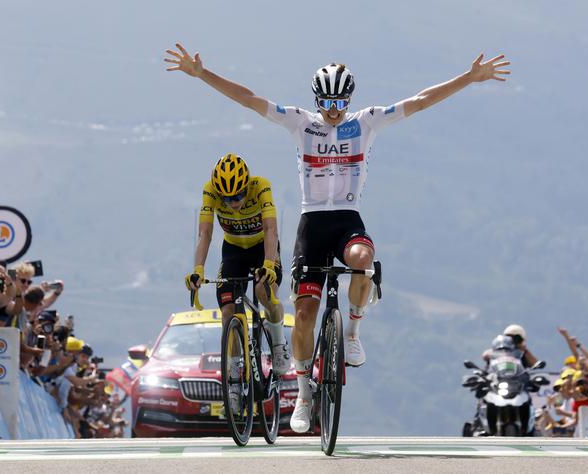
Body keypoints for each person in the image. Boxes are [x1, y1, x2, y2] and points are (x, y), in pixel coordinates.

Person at [166, 43, 511, 432]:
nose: (334, 110)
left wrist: (469, 77)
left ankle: (353, 331)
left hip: (347, 220)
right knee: (306, 315)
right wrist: (203, 74)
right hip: (311, 224)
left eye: (340, 102)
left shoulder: (366, 122)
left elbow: (419, 102)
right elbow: (249, 100)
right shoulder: (301, 123)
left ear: (349, 99)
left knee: (363, 261)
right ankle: (303, 393)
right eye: (327, 102)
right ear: (317, 99)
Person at [184, 154, 290, 379]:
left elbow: (271, 229)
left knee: (264, 293)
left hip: (263, 248)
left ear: (246, 185)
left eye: (239, 195)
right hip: (233, 252)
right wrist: (198, 270)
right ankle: (232, 374)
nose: (233, 203)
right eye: (227, 199)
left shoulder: (261, 186)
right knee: (227, 312)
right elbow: (205, 233)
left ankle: (279, 343)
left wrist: (269, 264)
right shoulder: (210, 191)